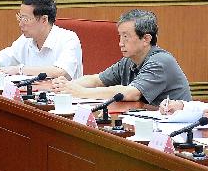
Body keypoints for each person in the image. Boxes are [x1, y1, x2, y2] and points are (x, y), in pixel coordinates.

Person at [51, 9, 191, 106]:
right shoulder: (129, 61)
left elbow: (131, 93)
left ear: (146, 39)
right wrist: (69, 86)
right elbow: (97, 80)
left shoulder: (160, 62)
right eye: (120, 36)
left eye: (126, 37)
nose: (120, 43)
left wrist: (82, 92)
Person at [0, 0, 83, 79]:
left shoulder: (68, 39)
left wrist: (19, 70)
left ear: (44, 20)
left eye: (25, 19)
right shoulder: (26, 40)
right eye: (20, 17)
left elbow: (61, 72)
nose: (20, 24)